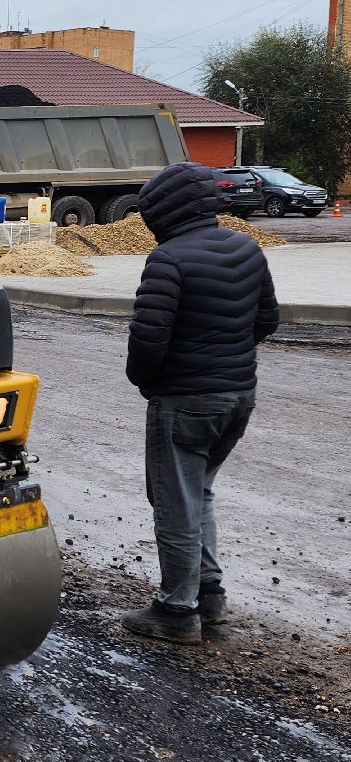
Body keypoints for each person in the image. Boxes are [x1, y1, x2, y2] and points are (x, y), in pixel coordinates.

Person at [122, 161, 279, 644]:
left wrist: (147, 382)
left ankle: (176, 611)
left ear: (162, 212)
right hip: (240, 396)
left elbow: (148, 340)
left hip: (185, 400)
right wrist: (228, 359)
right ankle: (209, 595)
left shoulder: (168, 259)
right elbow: (267, 320)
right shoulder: (246, 248)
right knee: (199, 492)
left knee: (175, 503)